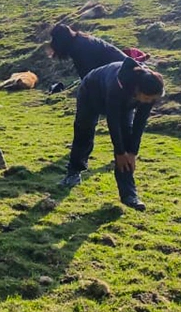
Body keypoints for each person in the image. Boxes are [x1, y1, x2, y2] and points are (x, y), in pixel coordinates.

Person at [60, 59, 165, 211]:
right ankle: (73, 172)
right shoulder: (118, 86)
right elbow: (113, 122)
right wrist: (120, 152)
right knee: (84, 129)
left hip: (123, 102)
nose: (149, 102)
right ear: (137, 90)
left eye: (152, 100)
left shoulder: (149, 90)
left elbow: (139, 123)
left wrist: (132, 153)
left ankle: (129, 195)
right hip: (91, 93)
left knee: (127, 137)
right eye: (147, 99)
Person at [48, 24, 131, 79]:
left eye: (54, 39)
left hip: (123, 72)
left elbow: (89, 76)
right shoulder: (79, 42)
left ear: (61, 39)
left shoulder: (79, 47)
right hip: (119, 70)